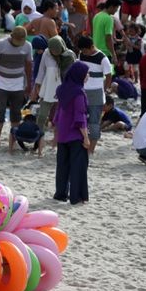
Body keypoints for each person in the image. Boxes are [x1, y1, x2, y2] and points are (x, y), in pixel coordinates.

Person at [0, 27, 33, 151]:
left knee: (16, 112)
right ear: (11, 37)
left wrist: (29, 84)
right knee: (0, 111)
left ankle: (13, 140)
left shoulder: (27, 46)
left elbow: (29, 66)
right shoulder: (1, 44)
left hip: (18, 84)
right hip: (1, 83)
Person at [53, 62, 90, 205]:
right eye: (86, 73)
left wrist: (56, 134)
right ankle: (77, 196)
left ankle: (60, 193)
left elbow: (58, 112)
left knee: (62, 165)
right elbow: (80, 117)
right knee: (78, 166)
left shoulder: (62, 89)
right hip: (75, 134)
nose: (88, 76)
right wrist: (86, 138)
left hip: (63, 132)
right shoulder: (79, 92)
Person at [77, 35, 112, 155]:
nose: (83, 53)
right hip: (82, 91)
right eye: (82, 51)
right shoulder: (81, 55)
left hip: (97, 93)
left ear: (92, 47)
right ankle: (82, 145)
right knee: (81, 119)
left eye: (85, 50)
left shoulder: (102, 58)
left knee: (94, 122)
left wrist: (104, 89)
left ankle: (91, 149)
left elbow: (108, 76)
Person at [92, 0, 122, 65]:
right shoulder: (109, 19)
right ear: (111, 7)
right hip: (105, 52)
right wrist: (114, 54)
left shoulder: (96, 16)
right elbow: (108, 38)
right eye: (116, 8)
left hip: (95, 50)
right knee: (108, 74)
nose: (117, 10)